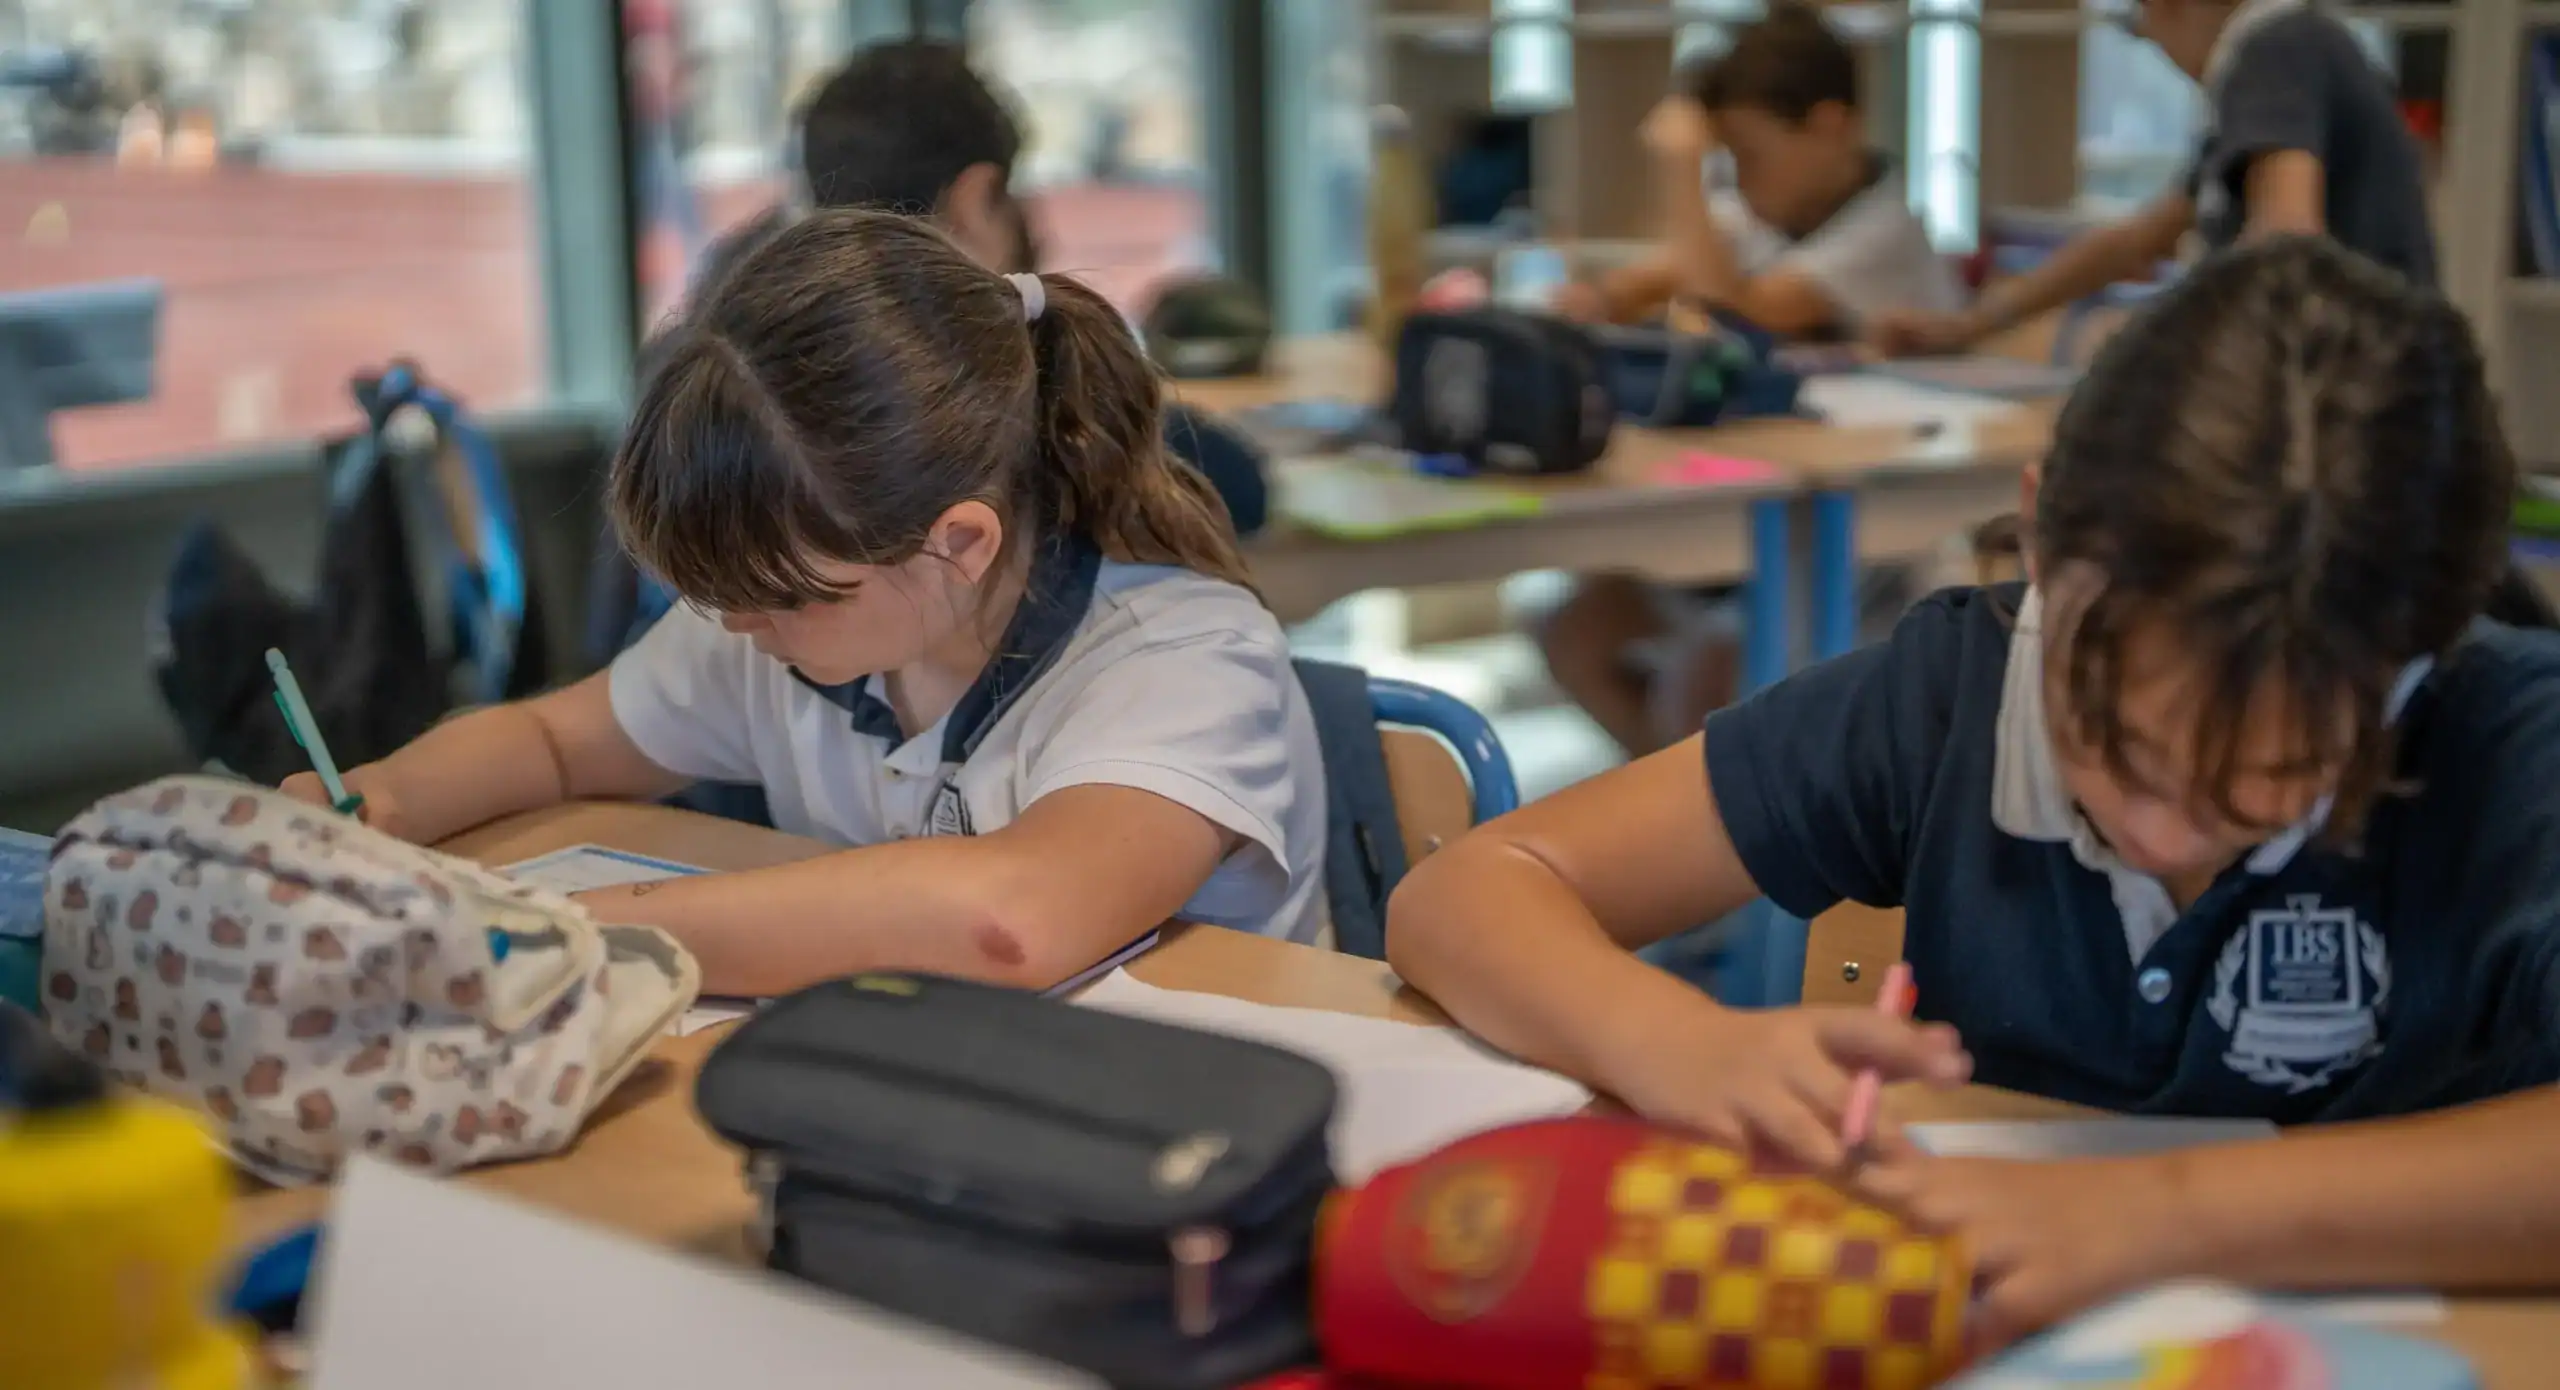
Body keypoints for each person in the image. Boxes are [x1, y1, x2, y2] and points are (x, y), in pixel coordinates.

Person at [1388, 238, 2560, 1344]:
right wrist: (1671, 1039)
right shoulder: (1948, 695)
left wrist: (2167, 1213)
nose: (2158, 831)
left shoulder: (2512, 740)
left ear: (2417, 658)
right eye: (2119, 742)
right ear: (2044, 536)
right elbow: (1466, 894)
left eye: (2272, 778)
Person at [288, 210, 1328, 996]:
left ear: (957, 543)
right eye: (723, 594)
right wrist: (383, 801)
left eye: (781, 595)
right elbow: (557, 740)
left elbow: (1015, 921)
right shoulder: (792, 617)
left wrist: (567, 927)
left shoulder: (1176, 660)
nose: (736, 627)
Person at [1540, 4, 1963, 759]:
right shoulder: (1761, 216)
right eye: (1723, 158)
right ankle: (1694, 838)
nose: (1738, 178)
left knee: (1706, 686)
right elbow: (1646, 282)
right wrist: (1590, 303)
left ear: (1831, 127)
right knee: (1577, 630)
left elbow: (1732, 316)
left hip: (1867, 556)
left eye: (1747, 154)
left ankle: (1723, 839)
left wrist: (1681, 172)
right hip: (1752, 529)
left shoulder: (1884, 232)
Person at [1869, 0, 2433, 355]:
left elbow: (2287, 238)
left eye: (2145, 29)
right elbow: (2138, 239)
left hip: (2358, 397)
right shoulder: (2284, 65)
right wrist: (1974, 324)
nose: (2162, 55)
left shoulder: (2269, 45)